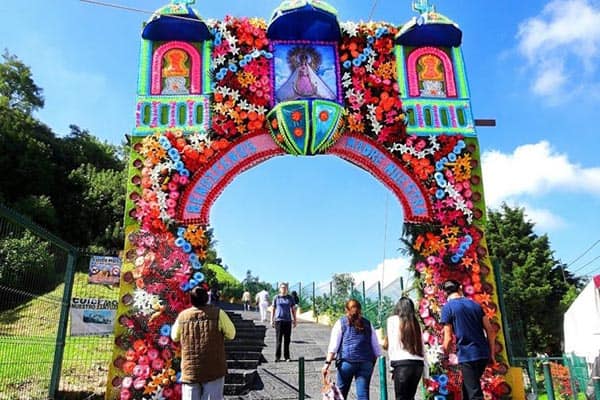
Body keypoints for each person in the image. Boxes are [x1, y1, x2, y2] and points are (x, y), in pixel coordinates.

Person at [171, 285, 236, 400]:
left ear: (191, 300)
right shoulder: (218, 313)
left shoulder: (183, 316)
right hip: (214, 367)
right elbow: (231, 334)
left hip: (190, 369)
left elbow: (174, 336)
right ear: (207, 298)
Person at [440, 280, 496, 400]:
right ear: (460, 288)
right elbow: (490, 331)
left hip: (467, 355)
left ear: (445, 293)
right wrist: (491, 354)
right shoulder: (475, 305)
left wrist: (444, 355)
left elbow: (448, 338)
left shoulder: (447, 308)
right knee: (468, 388)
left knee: (474, 394)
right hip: (482, 354)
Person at [322, 299, 382, 400]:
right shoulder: (368, 323)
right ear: (360, 310)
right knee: (363, 394)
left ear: (346, 310)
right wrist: (372, 362)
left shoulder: (341, 323)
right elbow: (376, 348)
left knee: (341, 394)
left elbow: (334, 346)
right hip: (366, 362)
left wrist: (327, 364)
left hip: (347, 362)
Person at [386, 297, 427, 400]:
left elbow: (392, 345)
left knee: (400, 397)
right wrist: (426, 373)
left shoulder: (392, 320)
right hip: (418, 364)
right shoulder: (416, 323)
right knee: (410, 397)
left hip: (401, 363)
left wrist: (391, 368)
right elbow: (422, 347)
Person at [270, 282, 297, 362]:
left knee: (287, 340)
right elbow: (273, 309)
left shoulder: (290, 298)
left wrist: (295, 320)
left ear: (287, 289)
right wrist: (272, 320)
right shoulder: (276, 298)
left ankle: (287, 357)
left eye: (285, 287)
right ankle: (277, 357)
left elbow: (293, 310)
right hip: (278, 321)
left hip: (288, 321)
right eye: (282, 287)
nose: (283, 289)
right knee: (278, 340)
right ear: (279, 289)